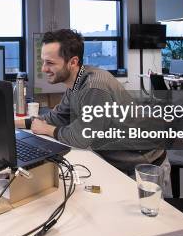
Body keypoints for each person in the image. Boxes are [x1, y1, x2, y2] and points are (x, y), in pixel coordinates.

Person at [17, 29, 167, 176]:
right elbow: (56, 117)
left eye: (50, 63)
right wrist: (13, 123)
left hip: (144, 166)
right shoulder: (76, 83)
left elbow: (80, 138)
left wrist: (46, 129)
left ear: (73, 62)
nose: (44, 68)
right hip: (120, 162)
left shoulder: (93, 87)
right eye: (43, 62)